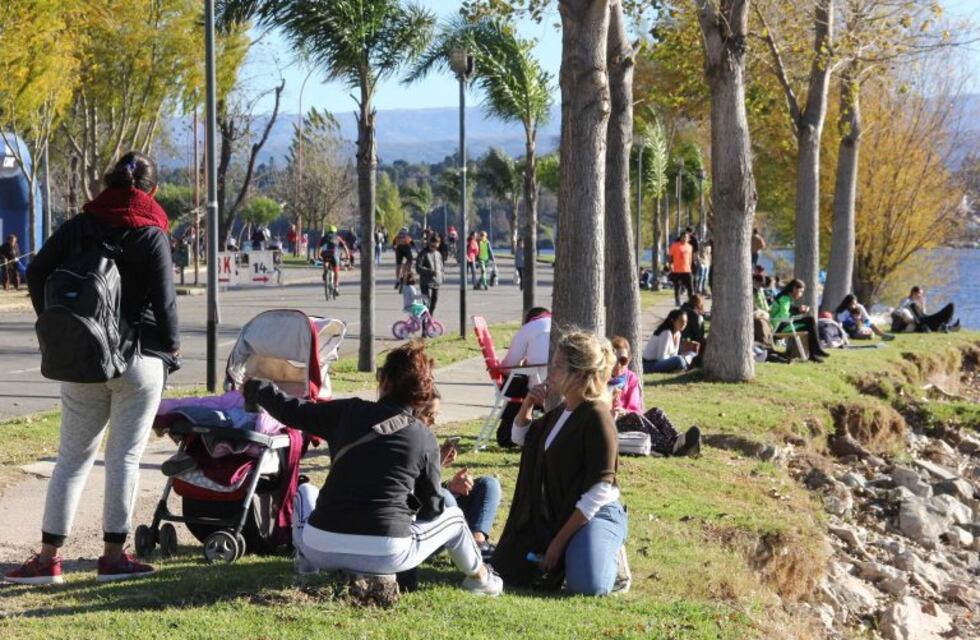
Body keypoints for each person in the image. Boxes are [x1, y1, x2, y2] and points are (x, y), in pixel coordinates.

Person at [6, 152, 180, 585]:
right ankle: (112, 558)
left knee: (72, 458)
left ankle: (48, 560)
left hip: (83, 358)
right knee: (124, 458)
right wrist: (171, 351)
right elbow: (166, 305)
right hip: (140, 359)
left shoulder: (81, 224)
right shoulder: (152, 231)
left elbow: (38, 271)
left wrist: (56, 325)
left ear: (109, 185)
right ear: (151, 190)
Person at [242, 341, 502, 595]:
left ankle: (306, 565)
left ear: (384, 382)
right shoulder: (424, 437)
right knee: (455, 518)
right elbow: (432, 507)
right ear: (421, 393)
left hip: (321, 547)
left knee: (305, 491)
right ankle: (481, 580)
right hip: (385, 552)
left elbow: (292, 410)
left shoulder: (347, 411)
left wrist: (258, 388)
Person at [493, 332, 629, 596]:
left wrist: (559, 541)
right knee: (508, 568)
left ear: (578, 374)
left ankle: (613, 559)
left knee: (588, 585)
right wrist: (528, 404)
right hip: (563, 510)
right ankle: (577, 554)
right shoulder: (562, 412)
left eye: (556, 366)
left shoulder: (597, 417)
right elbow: (519, 438)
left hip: (596, 512)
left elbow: (599, 490)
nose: (550, 371)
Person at [495, 307, 553, 448]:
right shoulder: (558, 322)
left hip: (537, 387)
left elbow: (508, 366)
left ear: (528, 319)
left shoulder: (529, 328)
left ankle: (508, 435)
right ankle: (508, 435)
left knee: (517, 382)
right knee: (520, 381)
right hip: (562, 383)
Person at [438, 438, 501, 560]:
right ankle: (469, 553)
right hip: (414, 518)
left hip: (435, 502)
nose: (434, 421)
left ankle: (477, 545)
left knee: (489, 484)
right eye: (429, 417)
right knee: (445, 496)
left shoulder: (421, 436)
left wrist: (451, 486)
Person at [769, 279, 831, 363]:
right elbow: (784, 317)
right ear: (794, 289)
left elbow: (788, 313)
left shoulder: (786, 298)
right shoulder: (785, 298)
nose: (801, 294)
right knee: (810, 320)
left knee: (809, 322)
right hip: (779, 327)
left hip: (782, 325)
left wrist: (799, 310)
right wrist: (798, 315)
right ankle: (815, 351)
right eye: (801, 291)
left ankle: (813, 353)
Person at [641, 309, 698, 374]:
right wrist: (679, 358)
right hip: (650, 364)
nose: (684, 324)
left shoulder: (678, 333)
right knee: (679, 360)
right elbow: (661, 358)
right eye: (681, 321)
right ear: (672, 321)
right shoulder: (666, 333)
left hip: (663, 362)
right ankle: (687, 367)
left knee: (693, 354)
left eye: (686, 322)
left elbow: (674, 354)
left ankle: (686, 366)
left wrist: (679, 357)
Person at [892, 286, 958, 333]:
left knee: (951, 306)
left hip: (925, 320)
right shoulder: (907, 301)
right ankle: (947, 327)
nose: (921, 296)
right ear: (914, 293)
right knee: (913, 305)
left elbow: (923, 314)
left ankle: (947, 325)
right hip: (920, 322)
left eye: (922, 294)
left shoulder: (917, 302)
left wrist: (923, 305)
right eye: (920, 294)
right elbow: (900, 310)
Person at [608, 336, 643, 420]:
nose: (618, 365)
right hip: (606, 420)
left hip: (626, 420)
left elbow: (636, 409)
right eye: (614, 360)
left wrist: (624, 412)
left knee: (658, 413)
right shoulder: (601, 377)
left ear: (629, 359)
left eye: (623, 360)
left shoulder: (631, 378)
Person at [415, 234, 444, 316]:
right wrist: (430, 271)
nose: (433, 248)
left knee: (434, 302)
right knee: (426, 304)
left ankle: (430, 317)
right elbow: (418, 268)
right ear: (429, 243)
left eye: (436, 246)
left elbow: (441, 266)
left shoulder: (438, 254)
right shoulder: (423, 253)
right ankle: (424, 324)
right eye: (432, 246)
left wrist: (442, 275)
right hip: (425, 282)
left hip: (436, 281)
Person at [319, 225, 350, 295]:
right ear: (335, 231)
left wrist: (317, 255)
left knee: (325, 261)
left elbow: (319, 246)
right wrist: (347, 257)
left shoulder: (324, 237)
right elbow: (345, 247)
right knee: (336, 271)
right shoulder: (338, 238)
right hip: (334, 255)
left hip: (325, 254)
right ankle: (336, 288)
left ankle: (325, 272)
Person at [668, 233, 694, 307]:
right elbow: (670, 257)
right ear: (681, 237)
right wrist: (670, 266)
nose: (685, 238)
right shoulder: (675, 245)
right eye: (683, 237)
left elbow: (690, 259)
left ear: (688, 238)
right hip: (677, 270)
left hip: (687, 270)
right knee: (677, 287)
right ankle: (677, 301)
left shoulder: (690, 247)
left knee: (690, 287)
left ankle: (691, 301)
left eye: (686, 237)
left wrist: (690, 267)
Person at [393, 227, 415, 291]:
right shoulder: (408, 237)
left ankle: (397, 279)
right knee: (409, 262)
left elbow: (394, 245)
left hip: (399, 250)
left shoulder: (397, 237)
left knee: (398, 265)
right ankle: (405, 275)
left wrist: (395, 250)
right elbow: (414, 246)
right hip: (406, 248)